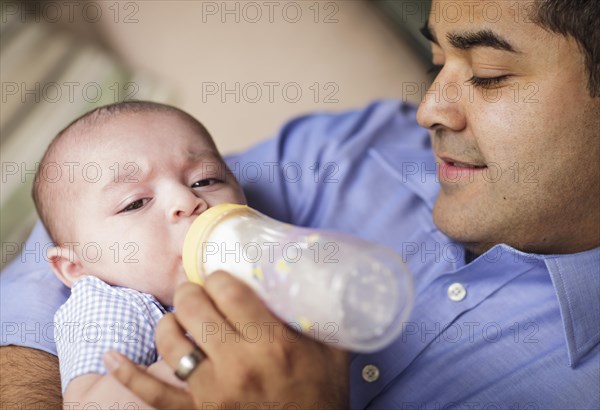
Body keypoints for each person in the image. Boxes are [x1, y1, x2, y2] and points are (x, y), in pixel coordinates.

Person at [1, 0, 598, 408]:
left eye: (490, 74)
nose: (428, 110)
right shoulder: (354, 147)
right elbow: (68, 222)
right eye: (438, 62)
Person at [29, 101, 247, 406]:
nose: (188, 199)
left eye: (205, 180)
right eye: (135, 203)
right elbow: (91, 403)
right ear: (76, 267)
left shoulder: (272, 254)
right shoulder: (117, 302)